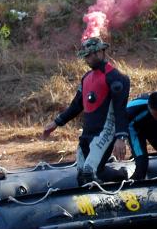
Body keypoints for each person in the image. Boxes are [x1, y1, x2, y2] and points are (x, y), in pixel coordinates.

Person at [42, 37, 131, 184]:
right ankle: (120, 175)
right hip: (87, 132)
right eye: (85, 56)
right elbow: (76, 105)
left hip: (105, 131)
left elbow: (120, 110)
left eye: (90, 55)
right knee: (82, 175)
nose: (87, 59)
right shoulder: (86, 78)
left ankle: (115, 185)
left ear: (101, 52)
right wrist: (56, 123)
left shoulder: (116, 77)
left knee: (90, 172)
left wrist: (121, 138)